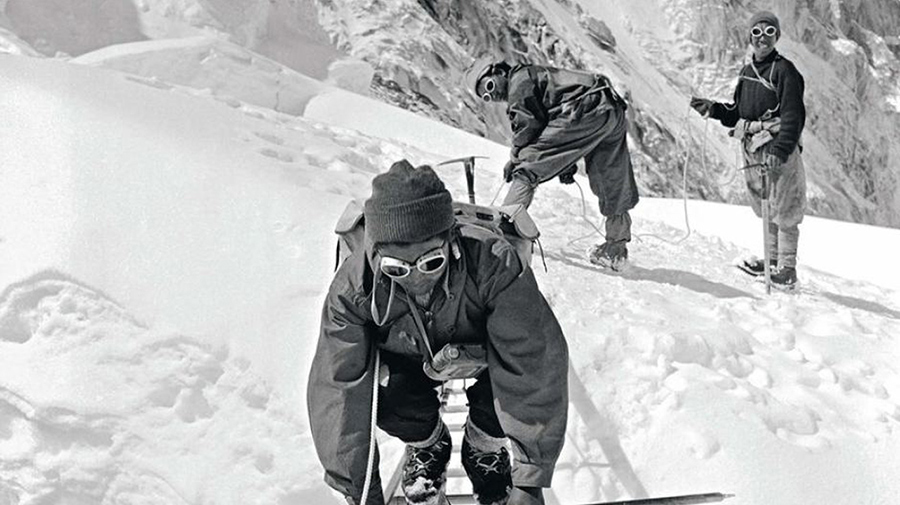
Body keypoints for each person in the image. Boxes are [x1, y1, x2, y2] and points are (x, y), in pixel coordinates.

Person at [308, 160, 569, 505]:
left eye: (432, 262)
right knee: (386, 396)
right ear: (377, 253)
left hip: (485, 352)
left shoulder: (494, 263)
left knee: (508, 387)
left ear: (451, 240)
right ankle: (429, 444)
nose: (416, 279)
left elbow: (532, 360)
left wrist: (529, 482)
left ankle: (484, 446)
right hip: (409, 358)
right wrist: (361, 494)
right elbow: (338, 387)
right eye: (397, 268)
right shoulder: (355, 288)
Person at [472, 60, 640, 271]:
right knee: (611, 178)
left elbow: (527, 127)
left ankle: (505, 234)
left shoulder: (519, 81)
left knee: (527, 168)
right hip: (610, 108)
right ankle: (616, 247)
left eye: (490, 87)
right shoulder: (535, 73)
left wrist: (515, 160)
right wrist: (563, 162)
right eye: (487, 97)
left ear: (498, 72)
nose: (494, 96)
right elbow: (556, 132)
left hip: (583, 111)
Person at [690, 10, 807, 288]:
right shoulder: (747, 72)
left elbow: (793, 115)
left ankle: (787, 269)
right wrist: (715, 109)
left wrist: (781, 149)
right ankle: (771, 260)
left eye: (769, 32)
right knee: (766, 206)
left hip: (777, 146)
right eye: (757, 32)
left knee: (785, 205)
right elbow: (737, 112)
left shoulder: (784, 70)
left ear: (777, 36)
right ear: (749, 37)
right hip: (753, 147)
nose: (762, 38)